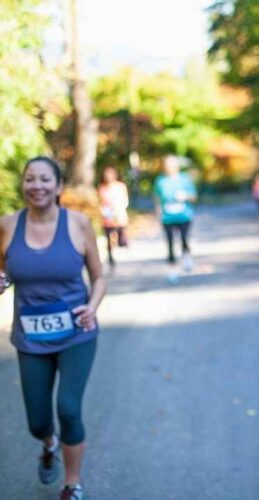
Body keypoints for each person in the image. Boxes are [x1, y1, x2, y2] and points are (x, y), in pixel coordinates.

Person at [0, 156, 106, 500]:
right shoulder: (7, 225)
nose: (37, 186)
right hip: (30, 336)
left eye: (45, 179)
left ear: (58, 186)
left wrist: (91, 308)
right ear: (23, 186)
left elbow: (99, 277)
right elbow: (5, 271)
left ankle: (71, 484)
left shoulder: (78, 224)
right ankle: (49, 443)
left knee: (69, 408)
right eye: (30, 179)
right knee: (37, 422)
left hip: (77, 332)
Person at [153, 155, 197, 282]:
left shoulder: (184, 179)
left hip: (184, 215)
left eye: (172, 165)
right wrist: (158, 213)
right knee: (170, 242)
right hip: (167, 217)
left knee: (184, 238)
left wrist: (185, 196)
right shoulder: (160, 181)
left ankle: (186, 254)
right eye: (167, 166)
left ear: (177, 166)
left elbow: (194, 197)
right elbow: (156, 197)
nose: (170, 168)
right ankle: (172, 268)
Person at [97, 165, 129, 268]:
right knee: (108, 238)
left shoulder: (120, 186)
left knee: (121, 238)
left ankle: (123, 254)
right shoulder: (102, 188)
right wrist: (103, 211)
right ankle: (111, 258)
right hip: (107, 217)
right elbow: (100, 202)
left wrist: (118, 210)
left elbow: (125, 201)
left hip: (119, 216)